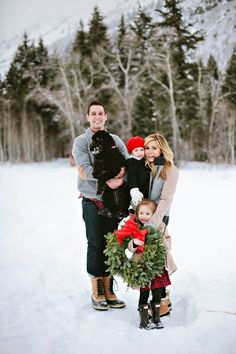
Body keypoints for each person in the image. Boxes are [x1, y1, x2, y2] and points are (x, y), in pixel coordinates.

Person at [72, 101, 129, 311]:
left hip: (113, 202)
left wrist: (121, 180)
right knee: (95, 243)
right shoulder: (81, 141)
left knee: (111, 244)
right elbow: (84, 170)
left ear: (106, 116)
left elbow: (128, 164)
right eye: (93, 114)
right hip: (92, 200)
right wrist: (108, 180)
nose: (97, 117)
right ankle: (97, 290)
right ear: (88, 117)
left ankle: (109, 288)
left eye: (100, 114)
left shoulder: (115, 140)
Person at [144, 132, 179, 316]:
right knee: (145, 259)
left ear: (161, 149)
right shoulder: (145, 167)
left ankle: (163, 301)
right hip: (143, 218)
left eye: (154, 148)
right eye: (147, 147)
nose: (150, 152)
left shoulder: (171, 170)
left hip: (159, 219)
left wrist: (153, 222)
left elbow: (165, 200)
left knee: (159, 257)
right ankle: (153, 298)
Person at [122, 199, 170, 330]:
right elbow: (129, 247)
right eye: (141, 213)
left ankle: (156, 318)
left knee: (157, 292)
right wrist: (135, 243)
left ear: (154, 214)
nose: (144, 216)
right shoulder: (136, 227)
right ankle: (143, 320)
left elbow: (168, 243)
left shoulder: (161, 226)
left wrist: (159, 241)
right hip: (142, 267)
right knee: (144, 292)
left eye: (147, 213)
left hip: (157, 265)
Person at [125, 136, 150, 209]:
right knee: (136, 208)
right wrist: (134, 190)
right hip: (136, 191)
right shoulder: (131, 162)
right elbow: (132, 176)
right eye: (136, 150)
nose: (139, 152)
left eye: (141, 149)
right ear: (131, 152)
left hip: (146, 190)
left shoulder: (145, 160)